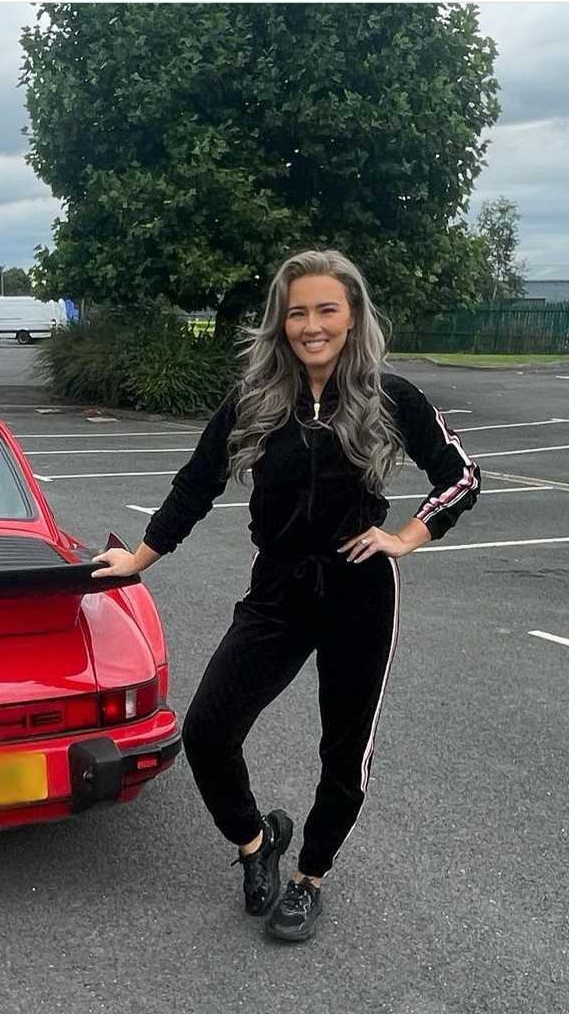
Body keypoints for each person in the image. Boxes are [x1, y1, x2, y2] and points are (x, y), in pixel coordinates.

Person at [91, 250, 479, 942]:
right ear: (281, 322)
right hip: (277, 589)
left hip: (360, 590)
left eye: (327, 309)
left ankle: (309, 878)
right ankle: (255, 842)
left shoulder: (390, 396)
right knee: (208, 731)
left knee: (344, 752)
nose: (311, 325)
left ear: (353, 316)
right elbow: (198, 481)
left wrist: (406, 537)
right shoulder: (257, 399)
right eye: (297, 312)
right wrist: (141, 558)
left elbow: (461, 477)